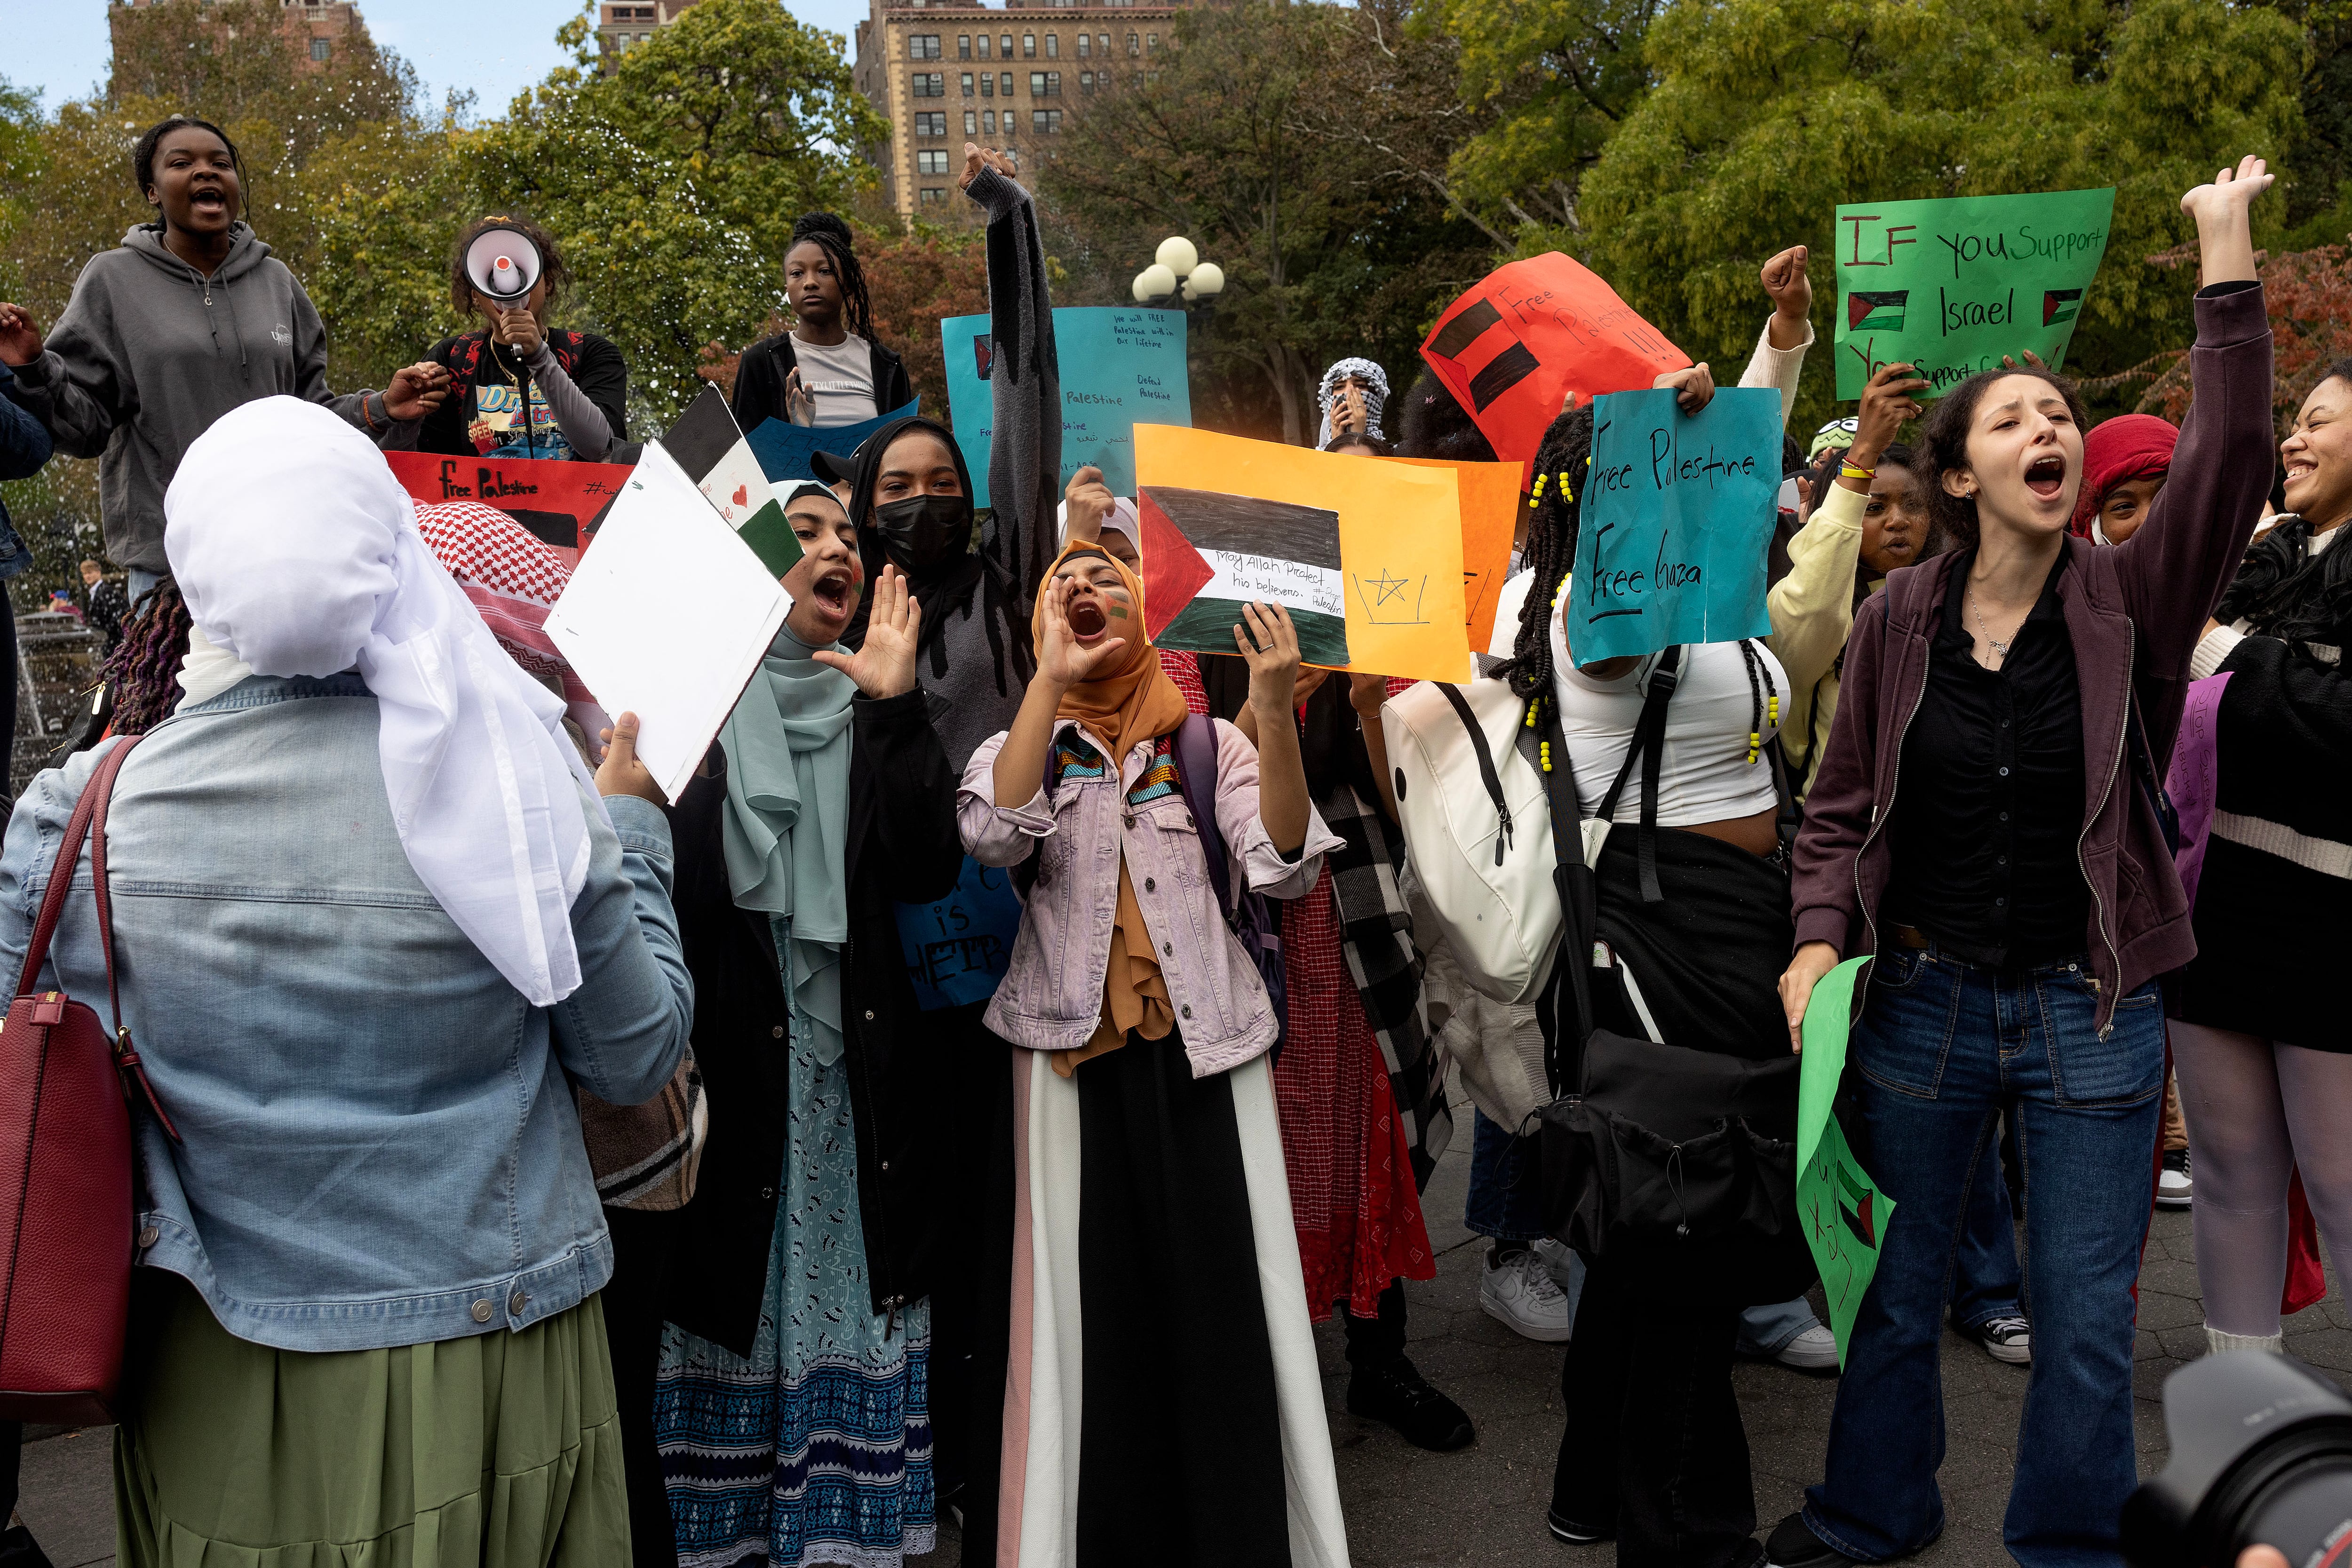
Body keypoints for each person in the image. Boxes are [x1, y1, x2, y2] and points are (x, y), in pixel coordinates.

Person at [0, 395, 691, 1565]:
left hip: (219, 1364)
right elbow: (635, 1056)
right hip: (500, 1348)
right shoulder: (522, 789)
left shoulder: (81, 813)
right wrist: (633, 837)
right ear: (385, 540)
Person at [1771, 157, 2280, 1568]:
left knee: (2079, 1311)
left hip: (2091, 1013)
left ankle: (2066, 1543)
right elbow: (1837, 805)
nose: (2046, 429)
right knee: (1888, 1295)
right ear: (1958, 472)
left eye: (2053, 414)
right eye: (2012, 419)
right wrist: (1817, 940)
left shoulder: (2128, 603)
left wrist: (2220, 251)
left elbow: (2232, 461)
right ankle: (1869, 1513)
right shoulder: (1894, 623)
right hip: (1919, 1010)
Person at [1473, 369, 1811, 1559]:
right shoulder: (1589, 609)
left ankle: (1590, 1481)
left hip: (1741, 926)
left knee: (1648, 1224)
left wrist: (1773, 355)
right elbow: (1620, 647)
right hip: (1660, 938)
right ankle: (1688, 1536)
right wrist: (1647, 460)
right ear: (1600, 491)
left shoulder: (1711, 590)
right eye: (1646, 470)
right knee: (1689, 1236)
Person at [959, 541, 1350, 1566]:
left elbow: (1284, 868)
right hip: (1064, 1075)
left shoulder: (1208, 743)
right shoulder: (1023, 743)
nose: (1086, 589)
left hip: (1208, 1064)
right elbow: (995, 833)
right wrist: (1047, 678)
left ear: (1144, 613)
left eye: (1106, 579)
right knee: (1089, 1327)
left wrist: (1271, 714)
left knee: (1221, 1313)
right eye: (1063, 582)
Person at [651, 483, 961, 1568]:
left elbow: (930, 865)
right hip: (727, 1088)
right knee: (725, 1295)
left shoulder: (872, 708)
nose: (838, 547)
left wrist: (893, 707)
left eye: (847, 534)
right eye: (806, 532)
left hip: (851, 1093)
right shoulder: (685, 716)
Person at [0, 114, 447, 602]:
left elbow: (309, 416)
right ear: (152, 191)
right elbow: (84, 429)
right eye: (181, 163)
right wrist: (33, 366)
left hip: (292, 557)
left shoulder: (277, 281)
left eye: (221, 163)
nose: (206, 172)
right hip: (172, 573)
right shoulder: (112, 280)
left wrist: (381, 407)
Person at [2163, 356, 2352, 1355]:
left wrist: (2220, 653)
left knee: (2340, 1180)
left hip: (2332, 914)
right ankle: (2243, 1404)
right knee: (2233, 1171)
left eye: (2320, 419)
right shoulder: (2264, 556)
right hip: (2216, 903)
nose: (2293, 436)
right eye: (2295, 418)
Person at [418, 216, 627, 462]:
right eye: (491, 281)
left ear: (548, 283)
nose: (509, 290)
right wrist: (402, 415)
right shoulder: (452, 359)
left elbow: (603, 449)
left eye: (523, 274)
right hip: (484, 500)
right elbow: (426, 463)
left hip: (582, 500)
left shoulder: (591, 353)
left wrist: (539, 356)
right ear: (475, 295)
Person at [730, 214, 913, 432]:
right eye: (797, 273)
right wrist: (800, 433)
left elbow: (906, 449)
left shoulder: (886, 366)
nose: (810, 283)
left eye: (825, 271)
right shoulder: (761, 363)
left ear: (847, 284)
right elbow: (742, 457)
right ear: (787, 287)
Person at [1317, 357, 1389, 447]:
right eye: (1339, 387)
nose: (1348, 392)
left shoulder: (1397, 455)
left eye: (1360, 385)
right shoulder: (1313, 458)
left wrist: (1356, 439)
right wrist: (1336, 444)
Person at [80, 559, 128, 652]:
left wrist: (107, 633)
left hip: (111, 641)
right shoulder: (97, 592)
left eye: (90, 573)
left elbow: (118, 615)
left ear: (98, 573)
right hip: (106, 641)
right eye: (84, 574)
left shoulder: (106, 591)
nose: (87, 576)